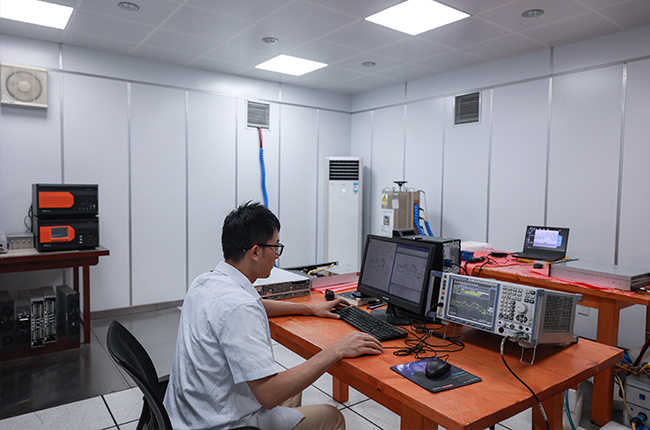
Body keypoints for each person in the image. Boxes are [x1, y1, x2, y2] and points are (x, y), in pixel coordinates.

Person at [164, 201, 383, 429]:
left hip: (190, 411)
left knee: (292, 390)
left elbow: (254, 304)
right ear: (255, 252)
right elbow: (269, 395)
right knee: (332, 416)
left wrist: (310, 308)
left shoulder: (205, 282)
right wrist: (336, 350)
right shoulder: (240, 308)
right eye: (275, 247)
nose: (277, 256)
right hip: (221, 422)